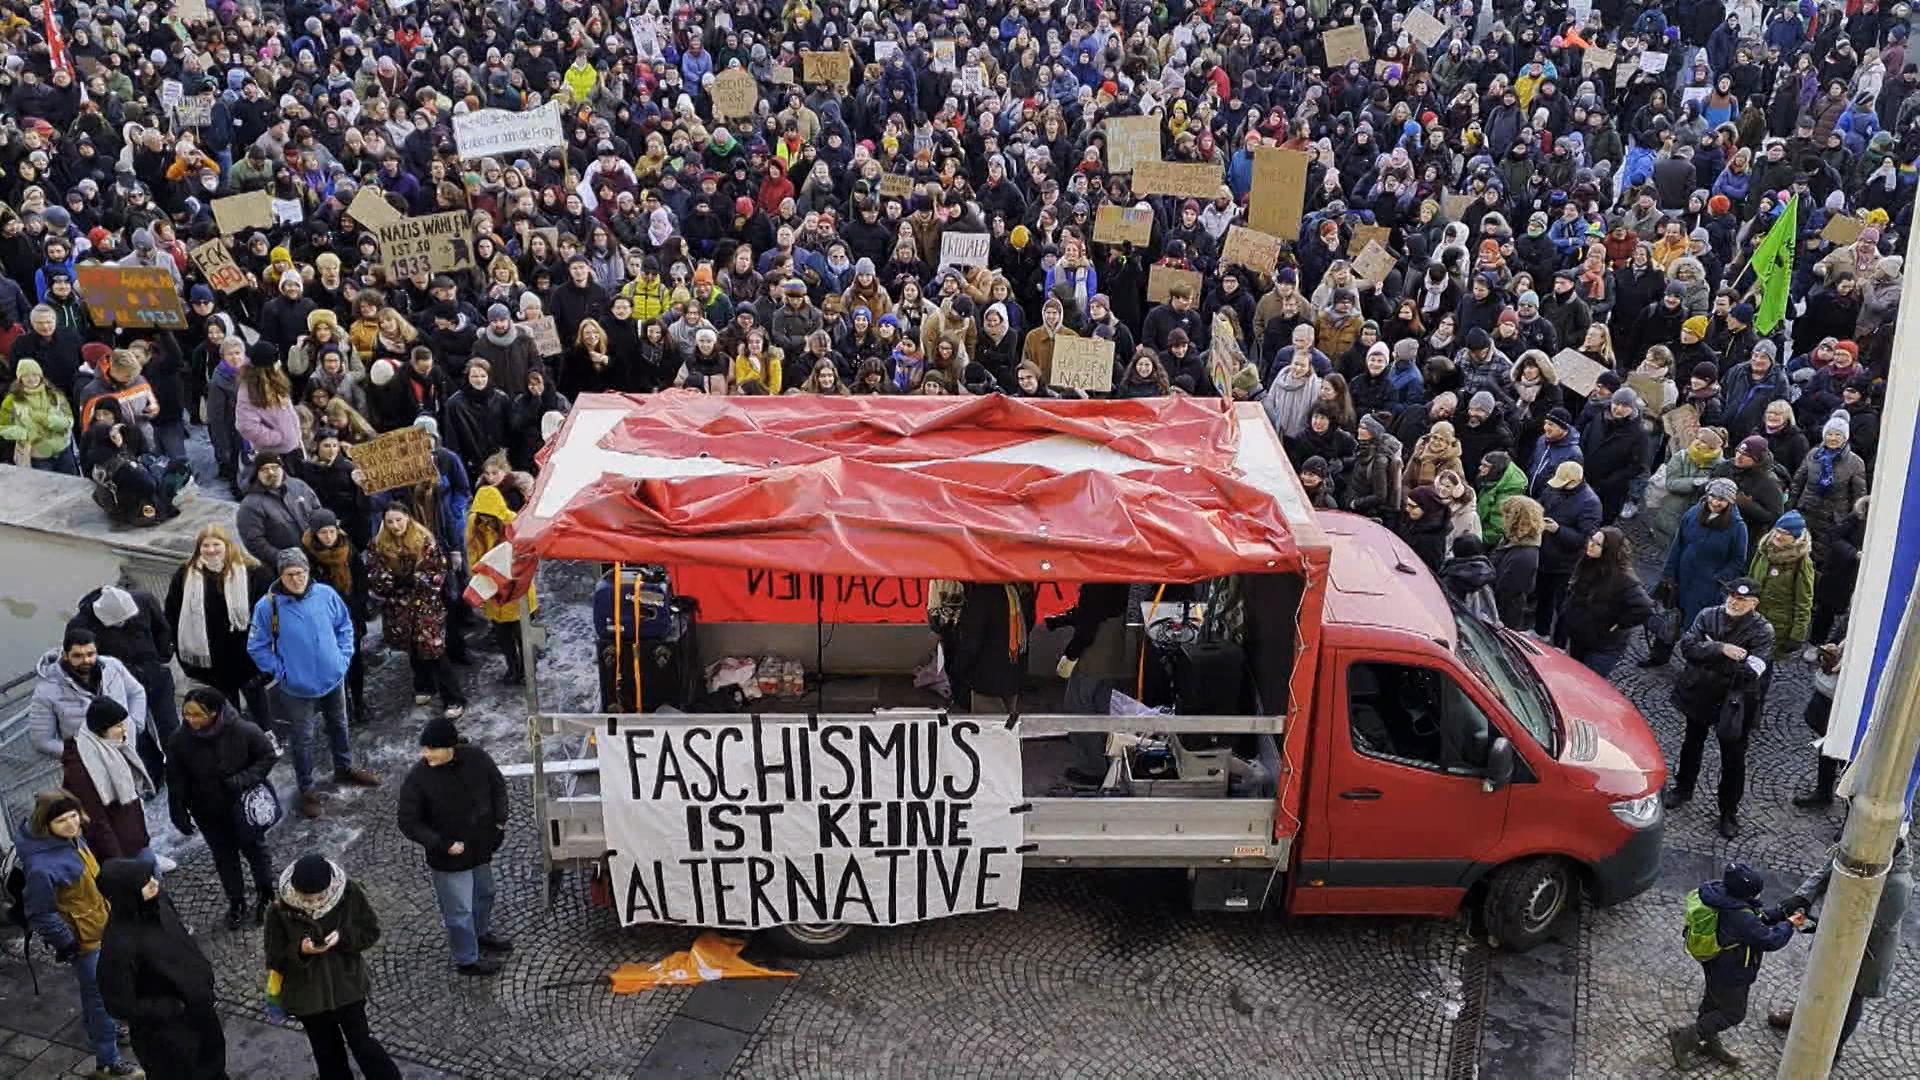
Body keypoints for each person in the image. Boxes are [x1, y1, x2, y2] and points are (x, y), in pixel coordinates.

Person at [15, 790, 147, 1078]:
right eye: (62, 820)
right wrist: (69, 944)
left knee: (99, 996)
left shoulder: (69, 839)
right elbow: (40, 913)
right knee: (100, 999)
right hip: (85, 941)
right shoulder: (41, 866)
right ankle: (108, 1063)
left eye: (74, 816)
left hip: (100, 927)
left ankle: (106, 1032)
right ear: (45, 823)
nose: (73, 824)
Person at [247, 549, 378, 819]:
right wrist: (281, 672)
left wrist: (343, 657)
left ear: (308, 572)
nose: (296, 579)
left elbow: (344, 626)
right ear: (281, 576)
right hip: (297, 686)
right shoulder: (266, 606)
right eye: (289, 574)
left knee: (339, 724)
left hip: (333, 676)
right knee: (302, 738)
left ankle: (344, 767)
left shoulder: (326, 594)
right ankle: (306, 788)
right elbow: (257, 646)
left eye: (300, 573)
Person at [1765, 825, 1912, 1061]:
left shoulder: (1898, 884)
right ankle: (1802, 1015)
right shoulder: (1858, 847)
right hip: (1835, 929)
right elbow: (1826, 872)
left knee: (1852, 996)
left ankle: (1836, 1045)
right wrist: (1802, 897)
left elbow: (1880, 925)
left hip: (1867, 951)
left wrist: (1833, 928)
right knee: (1817, 976)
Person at [262, 855, 403, 1080]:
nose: (311, 903)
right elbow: (275, 958)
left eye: (317, 897)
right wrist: (301, 951)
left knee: (362, 1043)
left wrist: (344, 938)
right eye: (305, 898)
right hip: (307, 997)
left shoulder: (348, 894)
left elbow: (370, 932)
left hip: (348, 987)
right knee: (327, 1052)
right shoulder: (279, 910)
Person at [396, 717, 513, 975]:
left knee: (486, 893)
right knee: (459, 910)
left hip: (480, 846)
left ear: (450, 747)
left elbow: (497, 787)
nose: (425, 753)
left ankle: (480, 933)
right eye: (424, 748)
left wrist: (499, 823)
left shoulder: (477, 759)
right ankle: (467, 959)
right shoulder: (418, 779)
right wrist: (442, 844)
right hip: (449, 857)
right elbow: (408, 821)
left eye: (431, 748)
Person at [94, 858, 229, 1080]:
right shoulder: (119, 944)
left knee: (214, 1065)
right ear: (128, 894)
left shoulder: (161, 903)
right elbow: (118, 1003)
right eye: (146, 883)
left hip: (199, 1013)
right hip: (168, 1034)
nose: (155, 883)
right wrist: (169, 1008)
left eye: (151, 877)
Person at [1665, 578, 1776, 838]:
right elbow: (1687, 647)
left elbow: (1752, 670)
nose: (1734, 602)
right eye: (1732, 596)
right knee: (1691, 743)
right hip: (1701, 693)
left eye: (1741, 599)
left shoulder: (1763, 631)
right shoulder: (1708, 615)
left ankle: (1728, 812)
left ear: (1754, 604)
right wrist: (1721, 649)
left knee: (1733, 758)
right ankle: (1683, 788)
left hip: (1735, 701)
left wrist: (1708, 653)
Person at [1668, 861, 1800, 1068]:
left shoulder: (1724, 898)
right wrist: (1790, 925)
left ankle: (1709, 1042)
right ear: (1745, 894)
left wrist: (1780, 913)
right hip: (1733, 971)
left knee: (1713, 1003)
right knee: (1733, 1013)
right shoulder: (1740, 917)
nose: (1758, 897)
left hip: (1715, 963)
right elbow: (1769, 940)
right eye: (1755, 893)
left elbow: (1757, 918)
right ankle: (1685, 1038)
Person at [168, 688, 279, 928]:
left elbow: (268, 756)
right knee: (224, 858)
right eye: (186, 714)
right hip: (207, 811)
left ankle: (266, 894)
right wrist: (178, 809)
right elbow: (175, 778)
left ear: (214, 713)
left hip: (242, 808)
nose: (190, 720)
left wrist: (242, 780)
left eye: (197, 714)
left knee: (256, 852)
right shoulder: (179, 740)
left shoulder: (244, 730)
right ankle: (236, 901)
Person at [166, 523, 275, 737]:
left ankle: (267, 734)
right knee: (226, 703)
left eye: (216, 544)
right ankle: (239, 739)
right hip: (212, 655)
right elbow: (173, 610)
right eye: (205, 546)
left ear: (228, 545)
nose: (211, 550)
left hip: (246, 651)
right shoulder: (187, 574)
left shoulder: (254, 572)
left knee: (256, 696)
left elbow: (269, 612)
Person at [366, 503, 467, 719]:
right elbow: (375, 574)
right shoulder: (378, 544)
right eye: (390, 521)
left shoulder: (425, 540)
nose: (395, 526)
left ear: (408, 518)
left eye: (399, 520)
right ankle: (423, 686)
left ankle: (453, 698)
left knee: (434, 649)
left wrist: (414, 580)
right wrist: (392, 582)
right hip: (398, 607)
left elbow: (437, 570)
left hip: (426, 604)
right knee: (411, 645)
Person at [67, 585, 176, 780]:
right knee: (134, 732)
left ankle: (180, 767)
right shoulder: (80, 626)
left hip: (154, 674)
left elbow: (162, 628)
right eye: (118, 623)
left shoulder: (143, 600)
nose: (124, 623)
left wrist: (161, 656)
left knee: (169, 725)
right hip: (120, 686)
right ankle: (153, 773)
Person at [1649, 478, 1750, 666]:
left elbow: (1738, 561)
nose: (1716, 502)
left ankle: (1692, 669)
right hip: (1682, 578)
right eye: (1713, 496)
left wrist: (1717, 579)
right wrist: (1669, 574)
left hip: (1707, 589)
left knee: (1698, 631)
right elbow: (1677, 545)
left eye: (1722, 499)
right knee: (1671, 620)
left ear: (1730, 501)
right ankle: (1658, 657)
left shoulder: (1738, 527)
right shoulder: (1693, 513)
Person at [29, 628, 147, 762]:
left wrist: (135, 726)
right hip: (91, 767)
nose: (86, 660)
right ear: (66, 656)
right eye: (78, 656)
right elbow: (42, 741)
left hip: (127, 749)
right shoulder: (46, 691)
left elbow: (136, 692)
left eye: (90, 654)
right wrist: (83, 756)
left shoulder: (113, 666)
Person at [60, 699, 155, 863]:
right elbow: (97, 821)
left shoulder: (110, 747)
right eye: (118, 726)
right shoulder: (82, 769)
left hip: (134, 839)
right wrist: (118, 862)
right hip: (121, 852)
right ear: (101, 730)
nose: (124, 730)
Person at [1552, 528, 1654, 677]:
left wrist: (1618, 623)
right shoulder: (1588, 562)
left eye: (1597, 544)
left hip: (1602, 645)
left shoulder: (1624, 578)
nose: (1591, 545)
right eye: (1591, 540)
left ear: (1608, 550)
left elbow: (1644, 607)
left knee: (1587, 681)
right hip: (1580, 637)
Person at [302, 510, 371, 725]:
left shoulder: (348, 548)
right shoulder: (306, 556)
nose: (329, 537)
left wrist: (358, 608)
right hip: (323, 619)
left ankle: (358, 701)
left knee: (355, 660)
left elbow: (361, 579)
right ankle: (342, 705)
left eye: (332, 531)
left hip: (350, 613)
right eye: (323, 533)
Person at [465, 487, 536, 685]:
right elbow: (473, 554)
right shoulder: (474, 525)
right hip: (493, 591)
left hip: (516, 591)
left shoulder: (514, 522)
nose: (485, 520)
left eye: (489, 516)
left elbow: (527, 555)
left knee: (523, 635)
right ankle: (512, 667)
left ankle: (527, 669)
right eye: (482, 516)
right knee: (503, 637)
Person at [1532, 462, 1602, 638]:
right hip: (1545, 554)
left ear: (1575, 481)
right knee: (1543, 595)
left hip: (1566, 563)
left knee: (1563, 605)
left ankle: (1560, 642)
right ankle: (1541, 631)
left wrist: (1558, 530)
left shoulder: (1590, 503)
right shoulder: (1553, 489)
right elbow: (1541, 504)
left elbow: (1585, 538)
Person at [945, 582, 1035, 714]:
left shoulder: (983, 594)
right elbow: (1029, 623)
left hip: (986, 679)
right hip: (1014, 670)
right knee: (1008, 724)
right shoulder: (1021, 589)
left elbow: (971, 642)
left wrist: (957, 668)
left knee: (989, 728)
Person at [235, 451, 323, 568]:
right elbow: (254, 542)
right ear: (257, 474)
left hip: (317, 556)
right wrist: (284, 558)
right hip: (285, 568)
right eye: (264, 469)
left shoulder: (299, 486)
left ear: (282, 468)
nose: (271, 472)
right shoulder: (250, 505)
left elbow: (318, 512)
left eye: (274, 467)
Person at [1746, 511, 1814, 660]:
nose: (1778, 536)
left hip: (1777, 626)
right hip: (1752, 617)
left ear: (1795, 537)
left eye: (1785, 533)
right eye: (1777, 530)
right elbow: (1751, 579)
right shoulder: (1764, 550)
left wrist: (1797, 635)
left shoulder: (1802, 562)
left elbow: (1804, 601)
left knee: (1764, 664)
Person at [1490, 497, 1544, 631]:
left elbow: (1507, 592)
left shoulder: (1524, 555)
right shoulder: (1510, 540)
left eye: (1506, 515)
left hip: (1503, 616)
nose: (1502, 520)